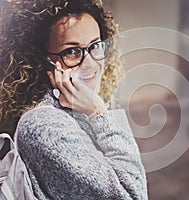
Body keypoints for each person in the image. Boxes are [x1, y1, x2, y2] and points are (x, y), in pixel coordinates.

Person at [0, 0, 148, 199]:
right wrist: (99, 112)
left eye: (95, 46)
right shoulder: (44, 124)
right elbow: (134, 195)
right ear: (43, 61)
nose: (89, 63)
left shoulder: (79, 108)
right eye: (71, 51)